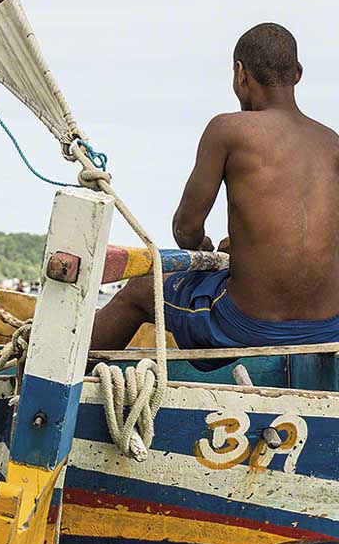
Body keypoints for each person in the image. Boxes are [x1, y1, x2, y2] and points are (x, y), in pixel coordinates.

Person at [92, 23, 339, 360]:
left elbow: (186, 229)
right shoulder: (332, 143)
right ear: (297, 73)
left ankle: (63, 381)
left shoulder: (228, 130)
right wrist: (250, 247)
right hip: (327, 328)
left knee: (138, 291)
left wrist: (202, 248)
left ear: (240, 73)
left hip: (248, 326)